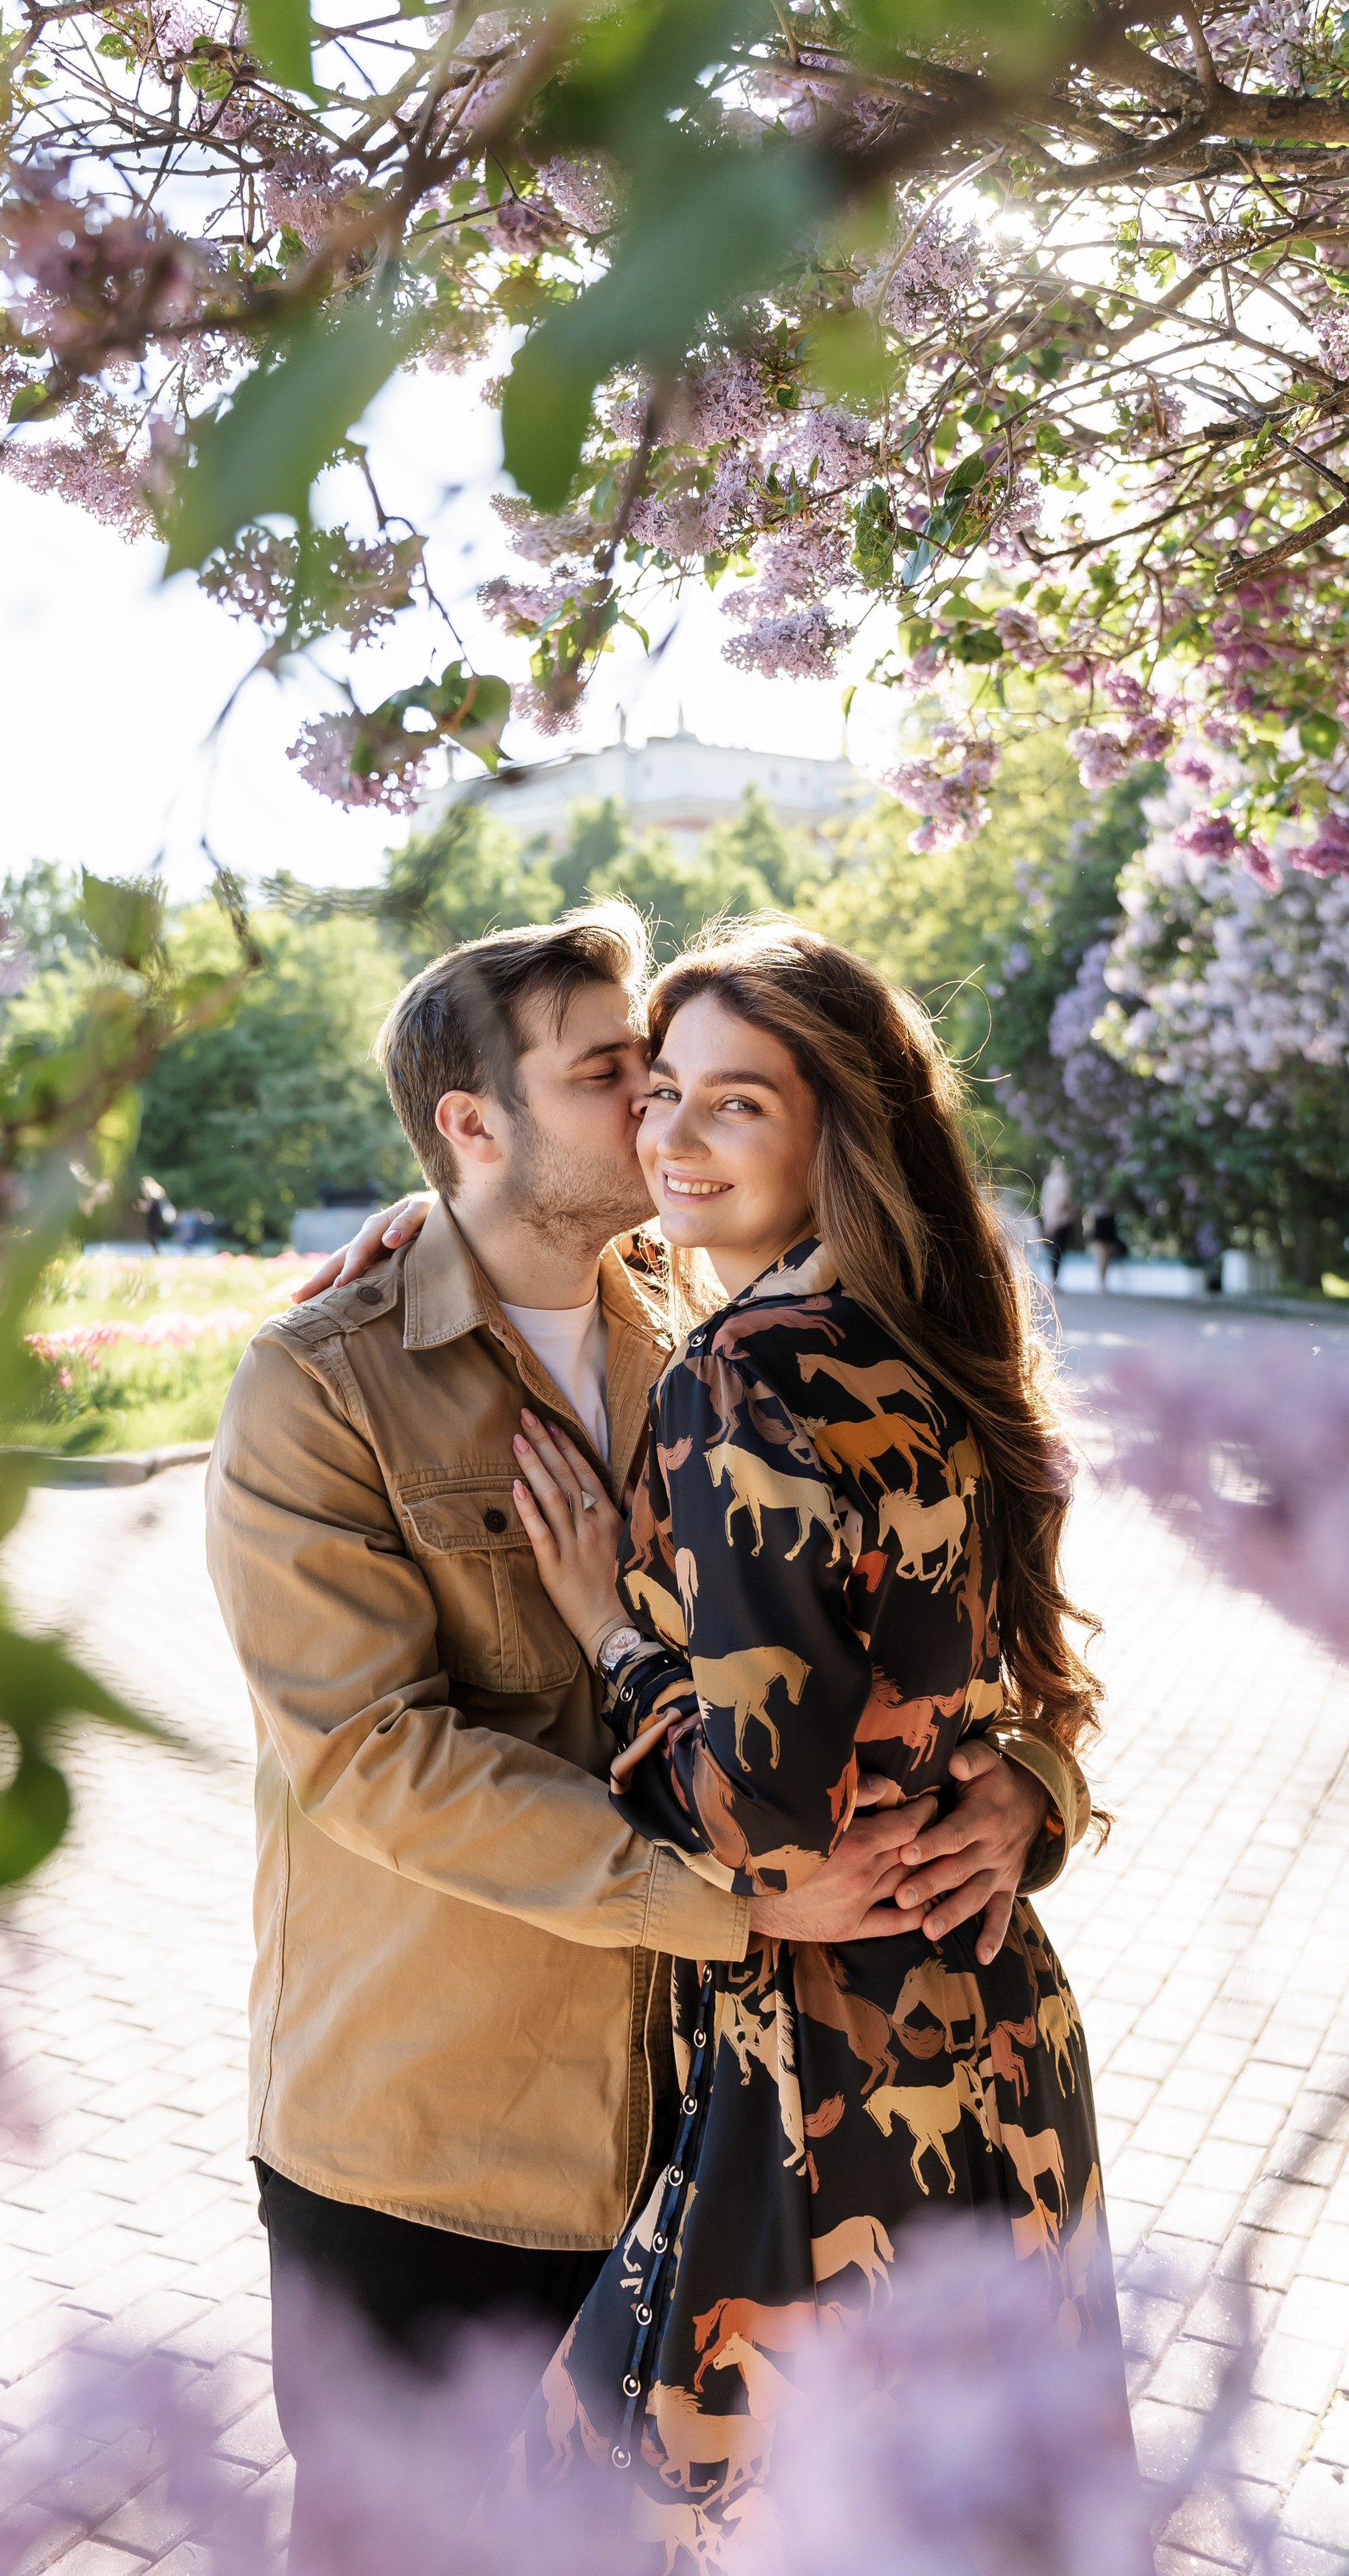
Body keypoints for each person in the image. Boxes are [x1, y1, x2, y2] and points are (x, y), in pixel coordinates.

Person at [204, 906, 1088, 2558]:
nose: (651, 1114)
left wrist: (1024, 1785)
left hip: (696, 2137)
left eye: (669, 1074)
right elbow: (367, 1758)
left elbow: (933, 1631)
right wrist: (736, 1898)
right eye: (613, 1072)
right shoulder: (319, 1386)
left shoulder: (701, 1335)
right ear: (471, 1128)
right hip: (440, 2139)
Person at [501, 918, 1126, 2561]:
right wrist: (1030, 1791)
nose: (669, 1137)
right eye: (659, 1096)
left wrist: (612, 1641)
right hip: (1001, 2025)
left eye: (734, 1107)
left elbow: (767, 1833)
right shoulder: (929, 1346)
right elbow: (1017, 1689)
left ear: (833, 1131)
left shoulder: (742, 1376)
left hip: (833, 2075)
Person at [1038, 1157, 1077, 1287]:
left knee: (1055, 1249)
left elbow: (1044, 1202)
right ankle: (1054, 1279)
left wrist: (1047, 1219)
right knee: (1059, 1249)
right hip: (1061, 1220)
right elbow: (1062, 1202)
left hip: (1052, 1219)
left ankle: (1053, 1279)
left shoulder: (1049, 1180)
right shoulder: (1063, 1181)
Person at [1087, 1196, 1122, 1291]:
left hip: (1108, 1220)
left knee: (1106, 1256)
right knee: (1102, 1255)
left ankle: (1103, 1282)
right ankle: (1102, 1283)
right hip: (1101, 1221)